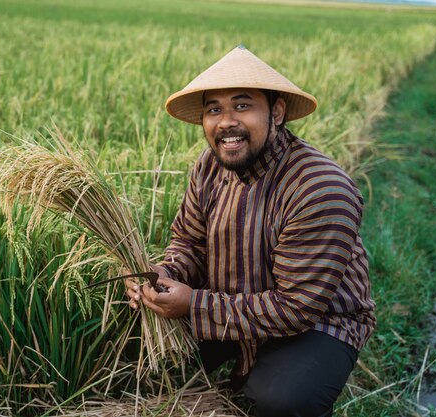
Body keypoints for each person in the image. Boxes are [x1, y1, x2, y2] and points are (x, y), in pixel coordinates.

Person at [125, 45, 376, 417]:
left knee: (281, 400)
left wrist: (193, 304)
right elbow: (189, 241)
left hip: (316, 321)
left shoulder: (320, 189)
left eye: (242, 106)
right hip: (231, 300)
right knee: (133, 338)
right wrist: (167, 273)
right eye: (214, 109)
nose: (226, 121)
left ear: (277, 112)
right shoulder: (209, 166)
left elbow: (296, 307)